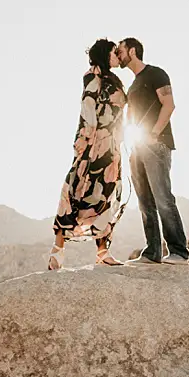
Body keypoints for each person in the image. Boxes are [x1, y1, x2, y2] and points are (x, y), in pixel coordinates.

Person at [48, 39, 128, 270]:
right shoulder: (92, 76)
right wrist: (85, 142)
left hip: (111, 145)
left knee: (106, 194)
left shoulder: (113, 79)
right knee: (77, 190)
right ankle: (58, 250)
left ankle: (103, 252)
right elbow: (88, 108)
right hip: (94, 143)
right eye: (114, 52)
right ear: (105, 53)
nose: (117, 55)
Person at [117, 37, 189, 264]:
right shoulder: (134, 82)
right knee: (144, 201)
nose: (118, 54)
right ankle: (152, 252)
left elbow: (169, 105)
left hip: (156, 144)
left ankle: (178, 251)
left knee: (163, 198)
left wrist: (155, 133)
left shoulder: (156, 73)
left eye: (120, 50)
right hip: (137, 147)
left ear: (133, 50)